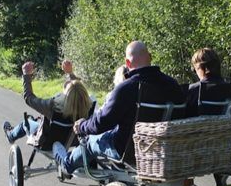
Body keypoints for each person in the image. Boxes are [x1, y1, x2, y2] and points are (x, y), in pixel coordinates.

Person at [53, 41, 185, 174]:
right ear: (150, 57)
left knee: (90, 142)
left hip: (129, 151)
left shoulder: (126, 88)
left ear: (127, 63)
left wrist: (82, 126)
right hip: (164, 151)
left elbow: (101, 123)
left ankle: (67, 164)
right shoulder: (173, 85)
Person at [3, 60, 92, 146]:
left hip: (47, 141)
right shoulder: (87, 106)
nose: (68, 82)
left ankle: (10, 136)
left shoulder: (53, 106)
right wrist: (70, 73)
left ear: (66, 96)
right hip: (73, 141)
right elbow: (77, 91)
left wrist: (26, 75)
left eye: (67, 85)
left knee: (26, 123)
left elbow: (29, 98)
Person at [185, 48, 231, 117]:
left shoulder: (193, 90)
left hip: (200, 127)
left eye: (194, 70)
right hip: (228, 127)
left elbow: (185, 115)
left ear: (200, 68)